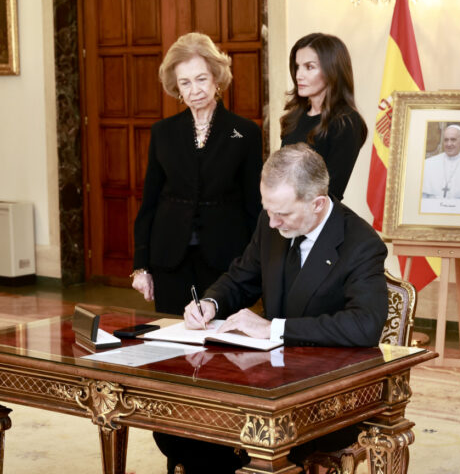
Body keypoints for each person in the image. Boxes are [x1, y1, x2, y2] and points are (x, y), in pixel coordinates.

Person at [154, 143, 389, 473]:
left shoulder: (361, 244)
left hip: (327, 394)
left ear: (318, 203)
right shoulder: (272, 224)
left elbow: (365, 324)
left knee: (241, 436)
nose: (274, 222)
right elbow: (240, 278)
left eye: (283, 214)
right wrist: (210, 302)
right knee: (176, 428)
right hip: (267, 379)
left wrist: (274, 328)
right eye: (268, 211)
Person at [131, 32, 263, 316]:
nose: (194, 90)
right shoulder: (163, 132)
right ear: (176, 87)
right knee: (171, 343)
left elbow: (254, 205)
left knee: (223, 345)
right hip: (169, 257)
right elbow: (149, 203)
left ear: (216, 77)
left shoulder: (245, 133)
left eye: (201, 79)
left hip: (225, 259)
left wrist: (258, 266)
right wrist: (141, 266)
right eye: (185, 82)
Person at [280, 33, 367, 202]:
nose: (299, 75)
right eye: (297, 67)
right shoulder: (294, 117)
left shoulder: (346, 122)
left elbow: (331, 191)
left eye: (309, 67)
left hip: (313, 220)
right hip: (283, 214)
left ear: (332, 70)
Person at [421, 124, 460, 199]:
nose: (449, 144)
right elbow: (423, 198)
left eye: (453, 140)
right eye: (446, 140)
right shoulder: (428, 164)